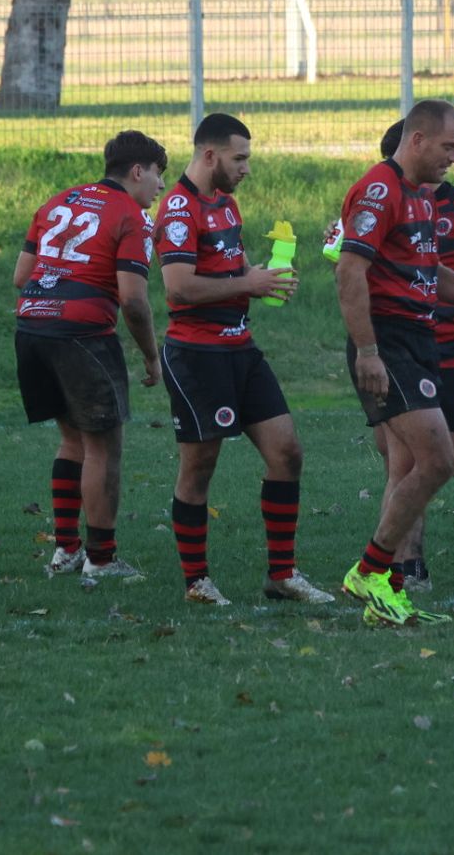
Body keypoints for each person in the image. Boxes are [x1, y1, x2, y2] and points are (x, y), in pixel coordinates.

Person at [335, 100, 454, 627]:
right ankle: (371, 571)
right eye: (449, 147)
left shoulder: (420, 197)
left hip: (419, 342)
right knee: (440, 459)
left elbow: (432, 272)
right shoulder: (379, 190)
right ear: (417, 140)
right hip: (390, 342)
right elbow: (349, 272)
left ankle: (390, 590)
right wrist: (368, 351)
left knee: (417, 465)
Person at [151, 112, 334, 608]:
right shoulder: (178, 208)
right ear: (210, 154)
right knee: (200, 465)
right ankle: (197, 582)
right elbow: (179, 287)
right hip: (197, 354)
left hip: (240, 348)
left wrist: (261, 277)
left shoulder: (226, 205)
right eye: (240, 159)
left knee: (287, 453)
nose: (246, 169)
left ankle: (282, 575)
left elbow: (228, 269)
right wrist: (246, 283)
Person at [14, 130, 167, 580]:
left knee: (72, 439)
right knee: (104, 448)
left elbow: (22, 276)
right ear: (137, 171)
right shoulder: (133, 217)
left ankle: (66, 550)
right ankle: (101, 559)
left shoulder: (58, 201)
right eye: (158, 174)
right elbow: (133, 301)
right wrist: (152, 355)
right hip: (82, 334)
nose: (160, 185)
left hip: (32, 328)